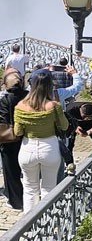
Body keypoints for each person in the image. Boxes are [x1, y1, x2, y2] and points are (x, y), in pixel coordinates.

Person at [13, 69, 69, 213]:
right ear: (50, 85)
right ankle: (46, 223)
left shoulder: (20, 106)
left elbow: (17, 132)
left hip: (28, 148)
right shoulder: (54, 106)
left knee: (30, 189)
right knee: (48, 188)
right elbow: (64, 126)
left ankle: (28, 227)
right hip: (49, 147)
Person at [0, 69, 25, 210]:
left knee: (11, 171)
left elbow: (3, 119)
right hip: (27, 137)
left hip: (9, 139)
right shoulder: (28, 96)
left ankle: (15, 200)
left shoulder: (5, 99)